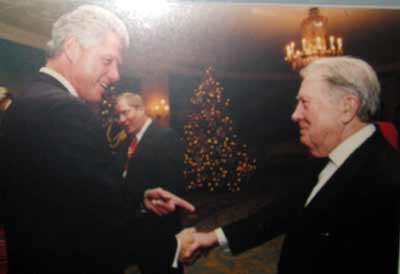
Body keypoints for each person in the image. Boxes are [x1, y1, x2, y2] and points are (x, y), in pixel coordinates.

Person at [0, 5, 194, 274]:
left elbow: (67, 198)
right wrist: (171, 247)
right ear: (72, 48)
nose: (115, 75)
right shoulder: (66, 111)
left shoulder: (24, 102)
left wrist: (138, 199)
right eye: (107, 60)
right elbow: (99, 222)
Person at [177, 56, 400, 274]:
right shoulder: (331, 156)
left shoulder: (386, 178)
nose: (295, 115)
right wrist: (213, 237)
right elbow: (285, 211)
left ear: (346, 108)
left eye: (305, 103)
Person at [114, 92, 185, 273]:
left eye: (125, 113)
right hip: (135, 228)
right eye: (118, 115)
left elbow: (170, 189)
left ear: (141, 109)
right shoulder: (127, 142)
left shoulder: (165, 137)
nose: (121, 120)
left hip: (159, 231)